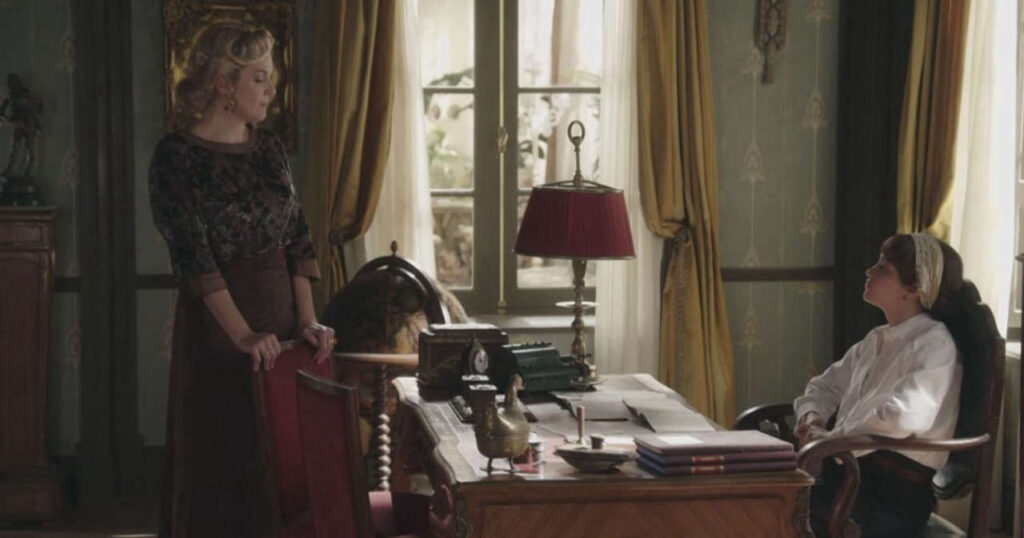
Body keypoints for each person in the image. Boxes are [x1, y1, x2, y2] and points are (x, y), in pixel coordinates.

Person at [149, 24, 335, 538]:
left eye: (271, 78)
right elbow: (194, 257)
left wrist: (308, 321)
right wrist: (243, 335)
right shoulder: (176, 156)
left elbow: (297, 237)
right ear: (224, 83)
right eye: (259, 78)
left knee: (283, 465)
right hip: (219, 330)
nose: (271, 90)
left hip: (283, 322)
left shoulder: (269, 148)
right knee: (224, 466)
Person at [793, 233, 974, 538]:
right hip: (847, 482)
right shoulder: (875, 340)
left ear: (914, 288)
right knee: (763, 505)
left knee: (777, 514)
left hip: (890, 501)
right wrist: (813, 420)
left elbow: (904, 416)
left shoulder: (934, 343)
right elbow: (823, 387)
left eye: (882, 267)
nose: (869, 271)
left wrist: (833, 439)